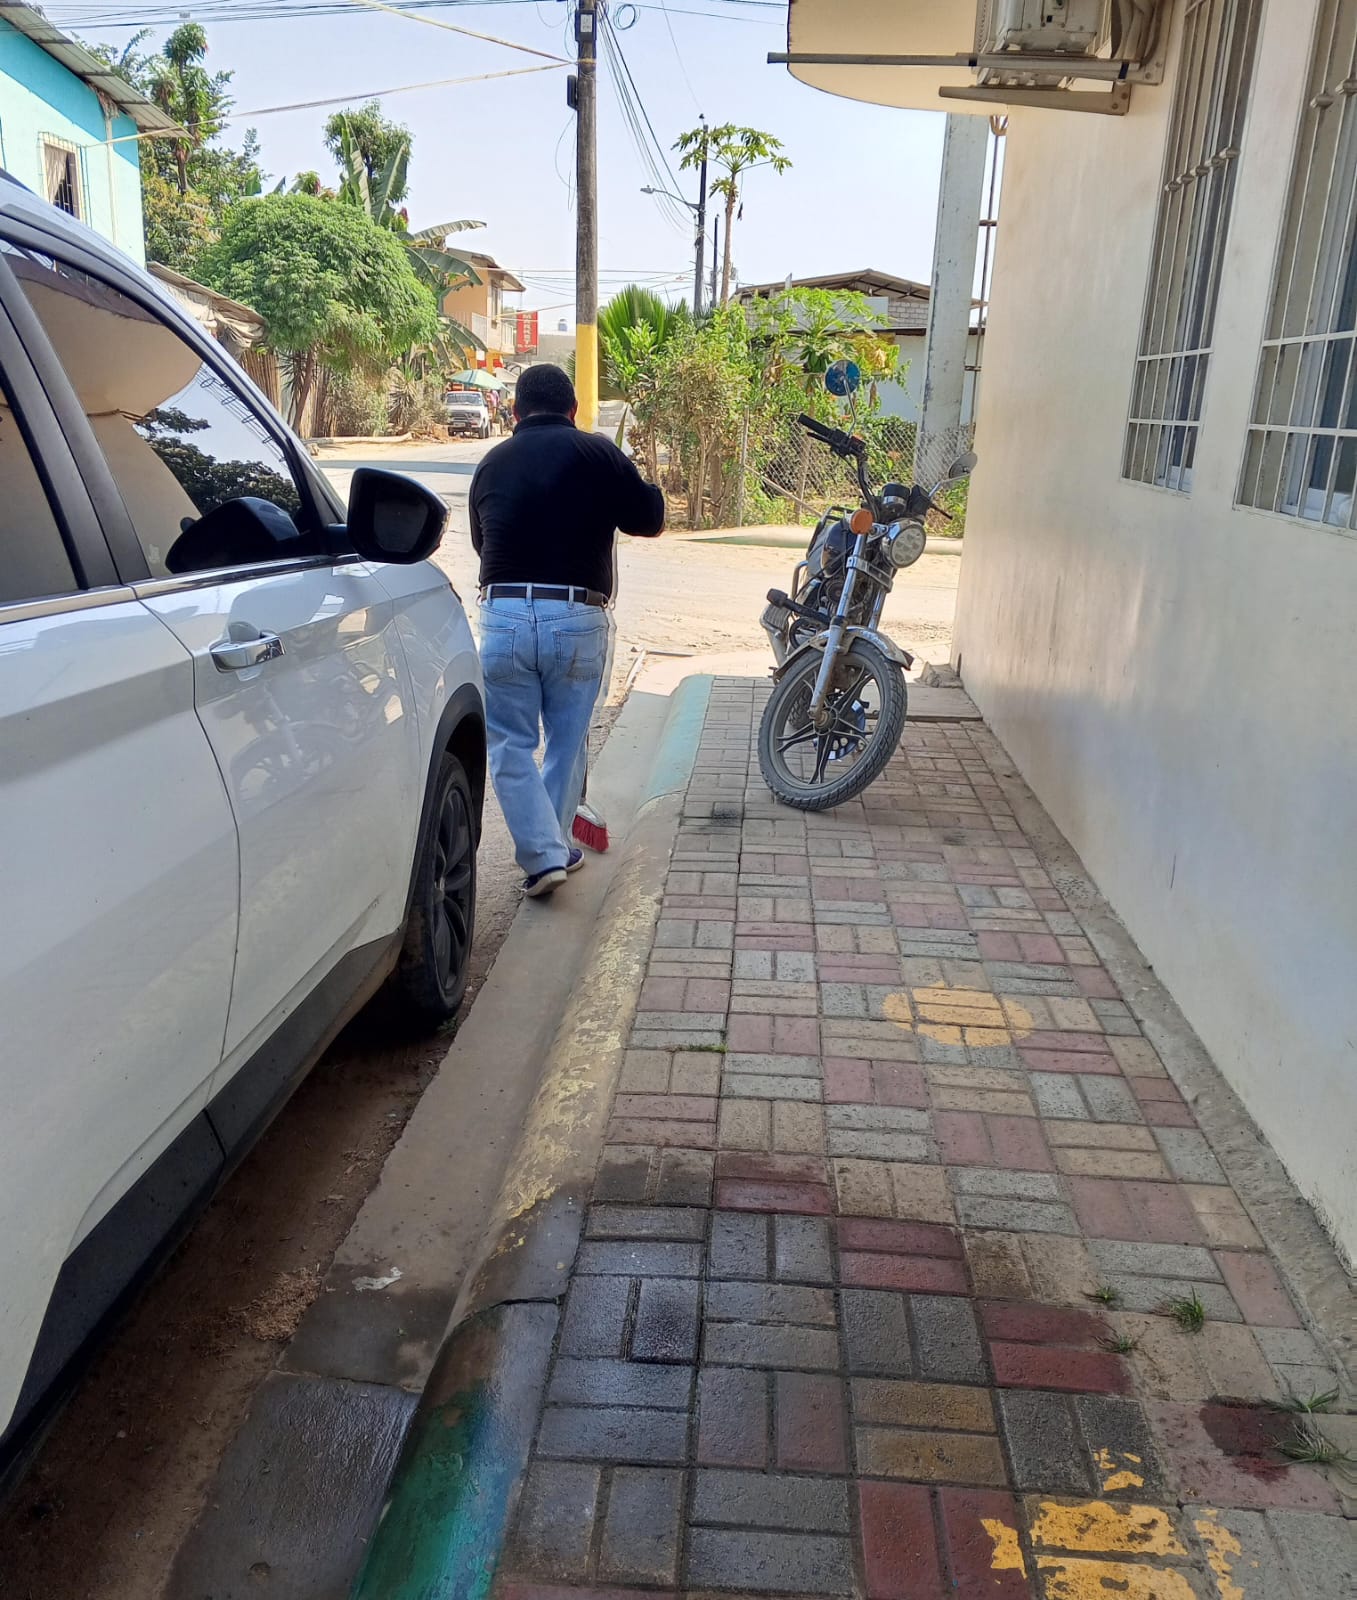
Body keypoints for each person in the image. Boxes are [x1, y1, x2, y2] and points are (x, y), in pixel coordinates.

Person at [469, 363, 664, 897]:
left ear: (514, 412)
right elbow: (649, 519)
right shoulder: (597, 453)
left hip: (503, 614)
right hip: (577, 617)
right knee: (567, 741)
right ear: (573, 410)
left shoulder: (491, 463)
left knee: (509, 745)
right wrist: (645, 478)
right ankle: (550, 850)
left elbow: (483, 544)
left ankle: (545, 856)